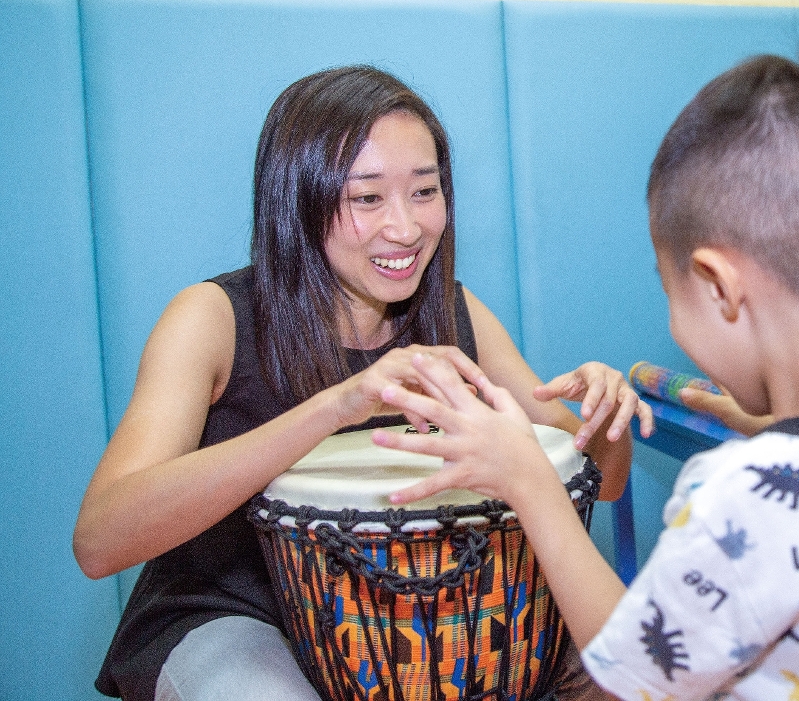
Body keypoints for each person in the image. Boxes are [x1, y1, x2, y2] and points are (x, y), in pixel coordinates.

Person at [371, 48, 799, 701]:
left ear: (719, 288)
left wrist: (530, 482)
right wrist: (770, 428)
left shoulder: (735, 495)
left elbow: (632, 682)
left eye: (671, 291)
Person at [73, 65, 652, 701]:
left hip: (415, 620)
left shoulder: (457, 314)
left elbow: (602, 478)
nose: (405, 228)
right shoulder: (211, 319)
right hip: (233, 615)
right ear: (300, 200)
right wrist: (336, 407)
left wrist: (607, 419)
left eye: (425, 192)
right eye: (366, 198)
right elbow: (100, 541)